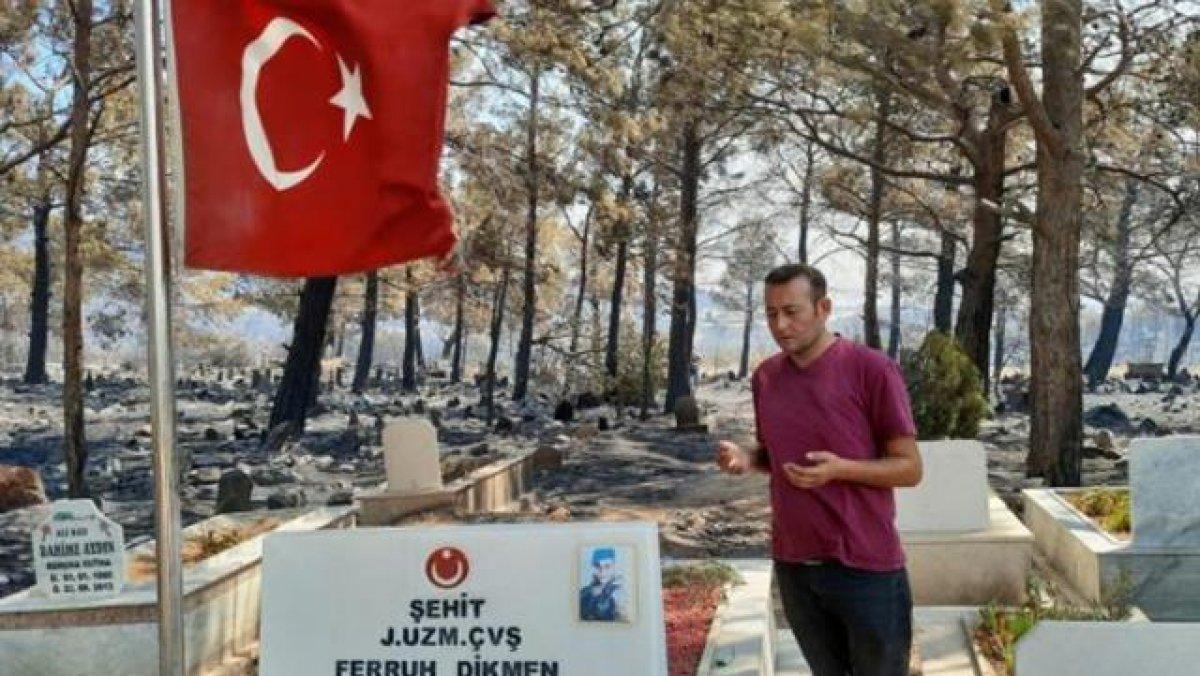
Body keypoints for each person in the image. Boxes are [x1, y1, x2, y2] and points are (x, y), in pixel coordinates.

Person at [716, 263, 923, 676]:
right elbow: (777, 456)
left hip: (865, 567)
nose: (780, 325)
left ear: (823, 308)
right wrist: (748, 459)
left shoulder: (872, 370)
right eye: (771, 313)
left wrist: (841, 469)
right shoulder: (766, 378)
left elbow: (910, 468)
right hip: (794, 566)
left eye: (792, 312)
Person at [578, 547, 628, 622]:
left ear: (614, 567)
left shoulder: (618, 593)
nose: (602, 571)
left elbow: (625, 623)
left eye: (607, 566)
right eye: (597, 566)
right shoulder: (584, 592)